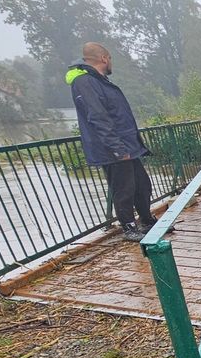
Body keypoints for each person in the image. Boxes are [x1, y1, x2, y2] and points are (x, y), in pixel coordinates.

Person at [66, 42, 159, 241]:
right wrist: (116, 147)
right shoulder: (85, 82)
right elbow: (98, 117)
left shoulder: (100, 80)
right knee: (123, 189)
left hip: (127, 145)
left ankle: (147, 221)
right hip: (112, 149)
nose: (111, 63)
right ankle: (129, 227)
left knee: (142, 184)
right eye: (110, 59)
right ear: (104, 58)